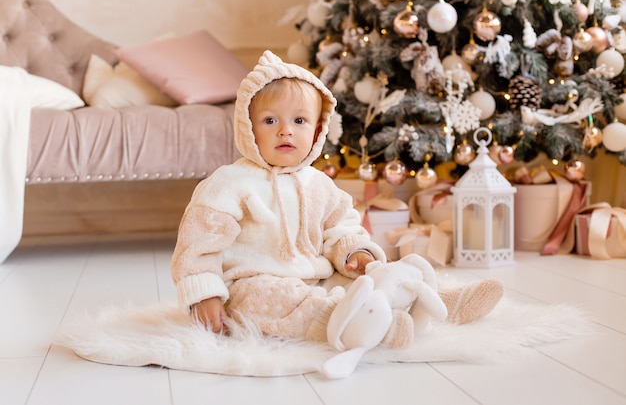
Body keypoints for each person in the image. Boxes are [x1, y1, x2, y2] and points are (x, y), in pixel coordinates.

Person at [170, 50, 503, 352]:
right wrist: (205, 293)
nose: (286, 131)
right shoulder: (229, 182)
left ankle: (430, 301)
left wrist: (354, 252)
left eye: (299, 121)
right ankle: (362, 324)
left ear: (316, 131)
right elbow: (199, 243)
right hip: (250, 284)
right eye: (271, 120)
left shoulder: (319, 184)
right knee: (269, 300)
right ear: (248, 127)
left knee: (368, 278)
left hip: (318, 275)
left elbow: (341, 228)